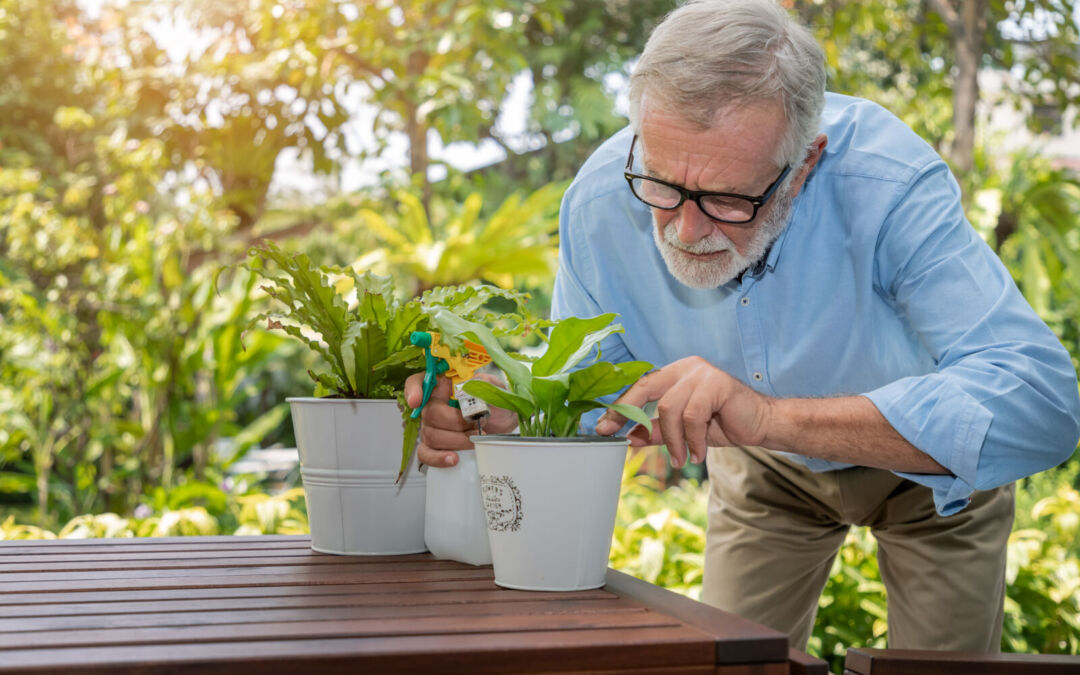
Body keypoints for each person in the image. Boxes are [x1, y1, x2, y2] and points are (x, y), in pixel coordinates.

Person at [404, 0, 1080, 653]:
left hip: (927, 469)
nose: (688, 230)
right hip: (764, 472)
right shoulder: (600, 204)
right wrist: (504, 414)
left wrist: (768, 416)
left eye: (729, 198)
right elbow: (593, 395)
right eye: (663, 186)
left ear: (805, 163)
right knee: (730, 659)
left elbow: (1043, 402)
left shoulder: (888, 182)